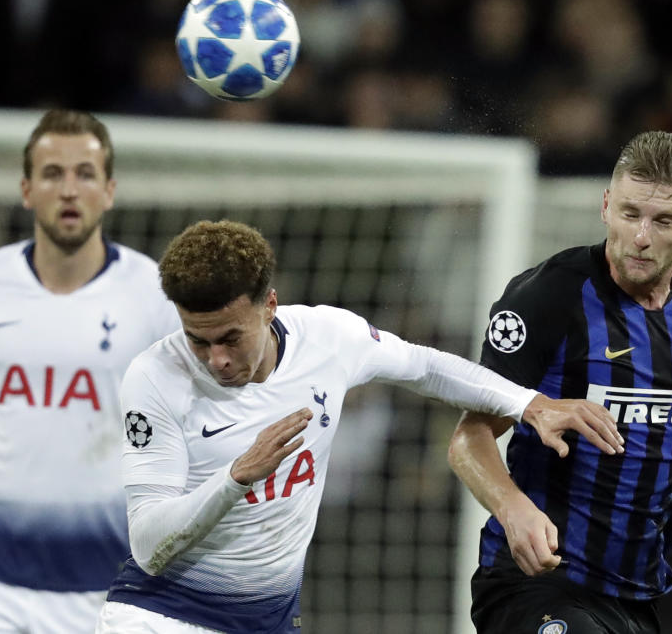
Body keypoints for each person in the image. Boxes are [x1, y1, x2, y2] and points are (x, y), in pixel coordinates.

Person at [94, 219, 625, 634]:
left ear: (270, 305)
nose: (216, 360)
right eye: (197, 340)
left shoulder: (328, 337)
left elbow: (426, 367)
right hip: (159, 615)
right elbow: (147, 543)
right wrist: (236, 477)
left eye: (230, 338)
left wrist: (530, 403)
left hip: (267, 620)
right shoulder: (156, 378)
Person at [0, 109, 180, 633]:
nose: (69, 189)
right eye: (52, 174)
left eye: (85, 174)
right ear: (26, 190)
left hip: (104, 583)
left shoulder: (154, 294)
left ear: (109, 191)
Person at [448, 131, 672, 633]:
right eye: (630, 214)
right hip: (534, 581)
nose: (642, 236)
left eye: (663, 220)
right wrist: (512, 508)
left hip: (634, 592)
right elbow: (467, 440)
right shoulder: (548, 296)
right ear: (606, 206)